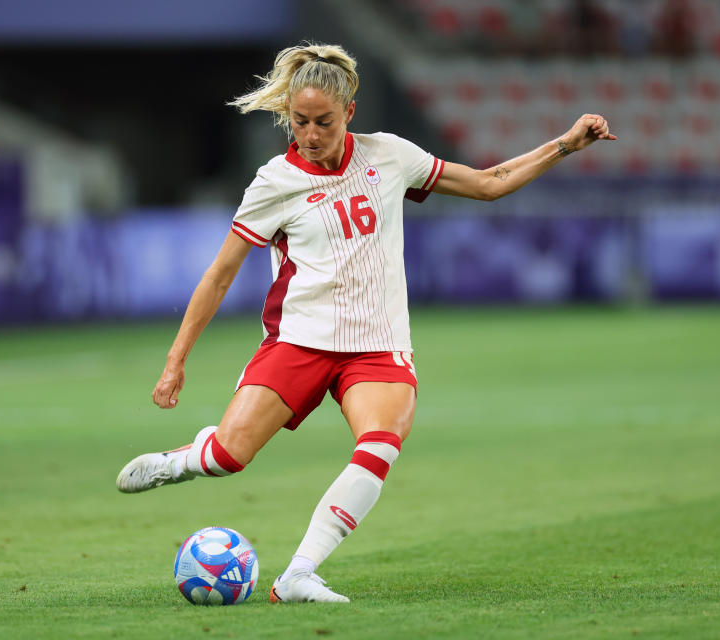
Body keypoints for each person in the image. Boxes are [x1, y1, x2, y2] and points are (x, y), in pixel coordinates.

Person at [116, 42, 615, 603]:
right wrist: (174, 361)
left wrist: (566, 145)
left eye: (323, 122)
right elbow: (218, 276)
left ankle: (298, 574)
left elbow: (487, 183)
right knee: (229, 457)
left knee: (380, 443)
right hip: (299, 340)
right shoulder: (275, 181)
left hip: (377, 344)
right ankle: (182, 461)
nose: (309, 134)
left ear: (349, 112)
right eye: (299, 121)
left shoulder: (389, 156)